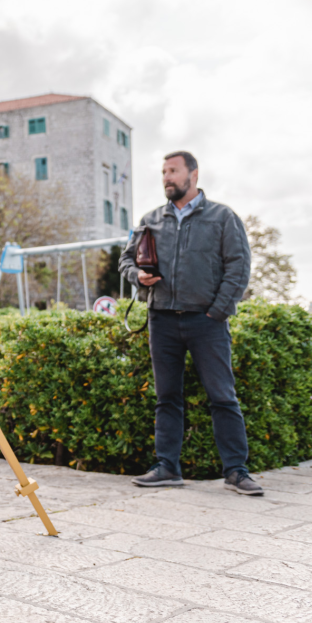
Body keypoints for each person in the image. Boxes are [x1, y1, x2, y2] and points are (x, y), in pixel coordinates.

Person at [120, 151, 262, 495]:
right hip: (162, 321)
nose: (167, 177)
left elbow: (238, 267)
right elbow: (125, 260)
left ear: (193, 175)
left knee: (222, 397)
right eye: (164, 172)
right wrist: (137, 275)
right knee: (166, 397)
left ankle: (236, 470)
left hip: (206, 322)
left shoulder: (222, 217)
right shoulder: (150, 219)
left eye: (174, 171)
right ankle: (167, 466)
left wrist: (217, 312)